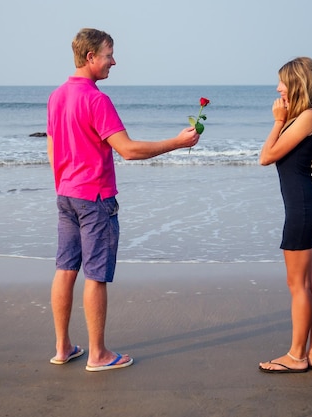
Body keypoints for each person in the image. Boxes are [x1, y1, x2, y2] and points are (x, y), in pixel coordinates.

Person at [46, 28, 200, 371]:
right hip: (95, 197)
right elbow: (128, 151)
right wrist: (176, 143)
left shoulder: (57, 96)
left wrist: (63, 183)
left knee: (65, 269)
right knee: (95, 274)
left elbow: (52, 148)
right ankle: (98, 354)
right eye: (109, 55)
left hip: (66, 195)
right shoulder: (96, 99)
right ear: (91, 57)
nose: (113, 61)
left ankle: (62, 347)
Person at [257, 57, 312, 373]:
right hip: (306, 208)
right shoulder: (304, 117)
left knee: (300, 285)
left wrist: (277, 120)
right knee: (311, 282)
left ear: (297, 83)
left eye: (282, 82)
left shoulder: (306, 118)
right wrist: (283, 117)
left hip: (302, 211)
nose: (278, 88)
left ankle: (297, 356)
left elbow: (266, 156)